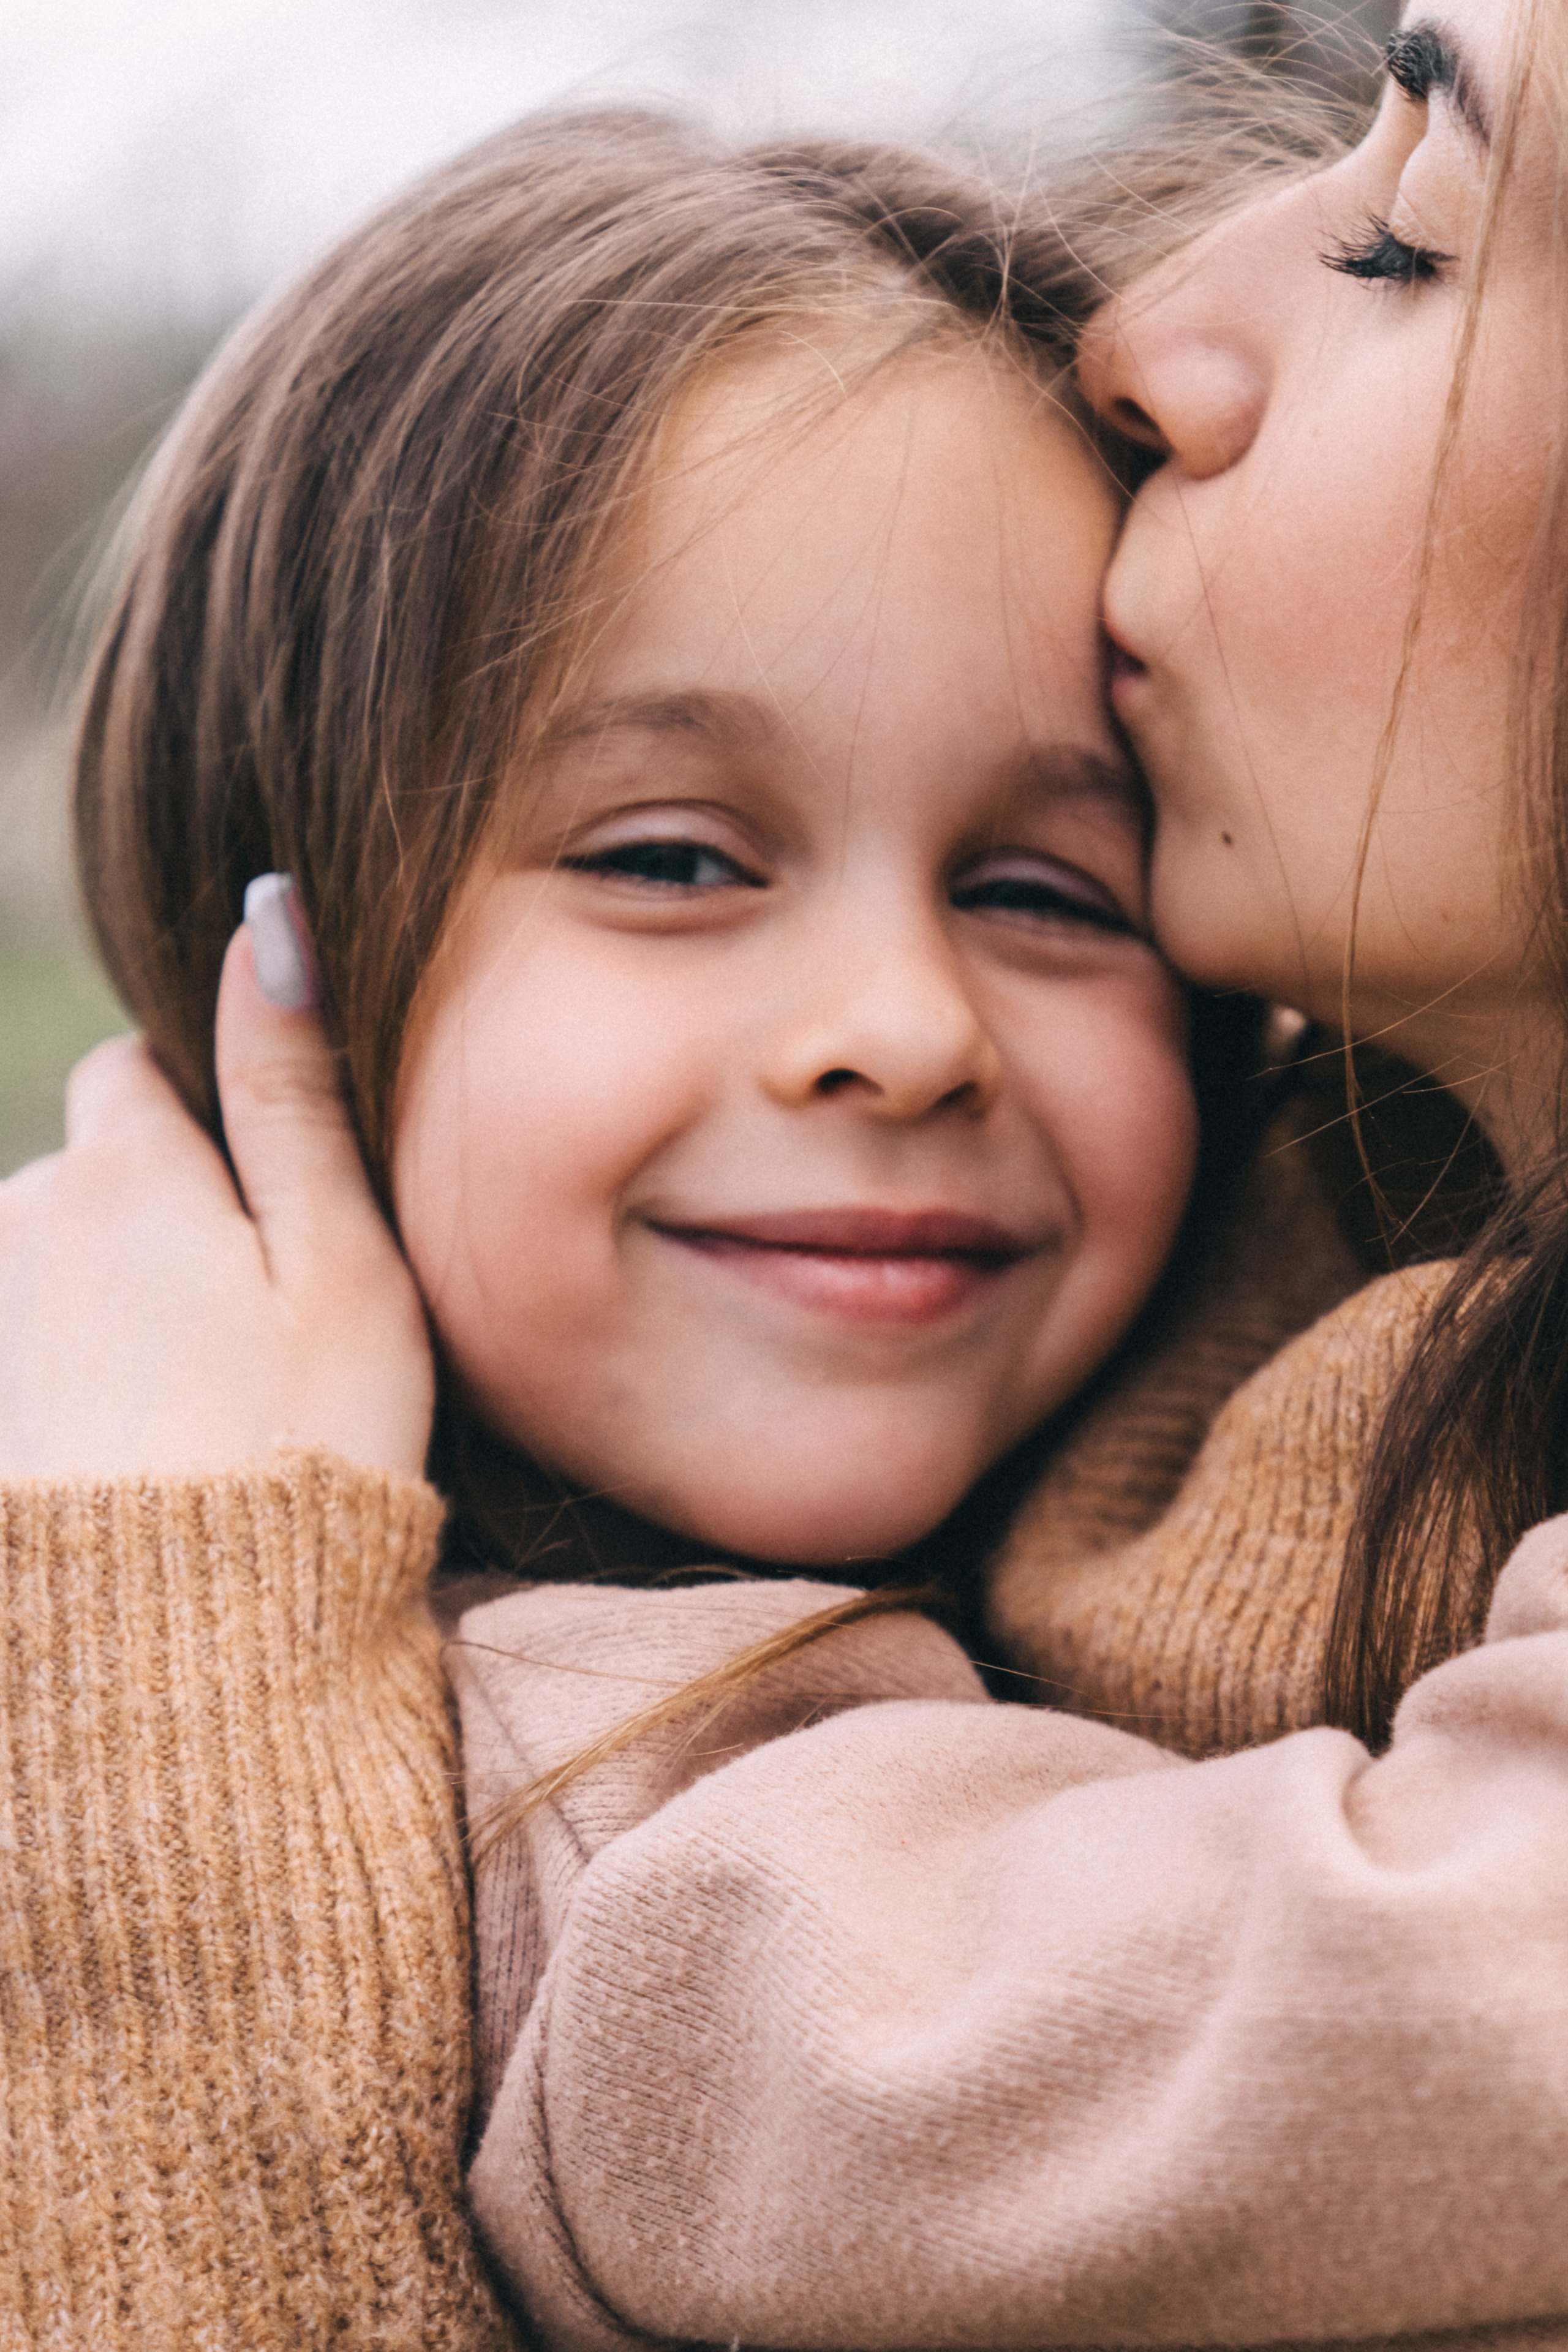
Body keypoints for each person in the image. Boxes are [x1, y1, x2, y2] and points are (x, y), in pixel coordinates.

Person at [0, 111, 1296, 2348]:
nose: (902, 1031)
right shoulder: (599, 1849)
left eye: (1044, 890)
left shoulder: (1281, 1516)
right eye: (673, 860)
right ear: (270, 936)